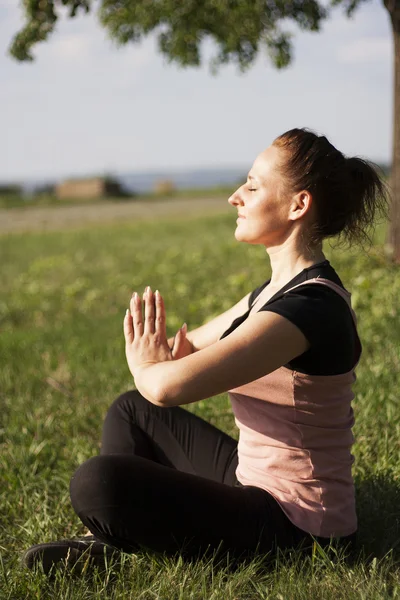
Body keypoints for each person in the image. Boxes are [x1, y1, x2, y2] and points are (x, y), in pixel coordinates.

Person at [23, 128, 389, 574]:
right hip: (251, 477)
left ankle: (114, 532)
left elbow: (167, 386)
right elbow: (186, 351)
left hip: (299, 525)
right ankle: (108, 540)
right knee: (132, 410)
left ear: (298, 205)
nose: (236, 196)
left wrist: (149, 365)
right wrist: (159, 359)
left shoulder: (309, 309)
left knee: (97, 482)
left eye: (253, 186)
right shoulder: (272, 294)